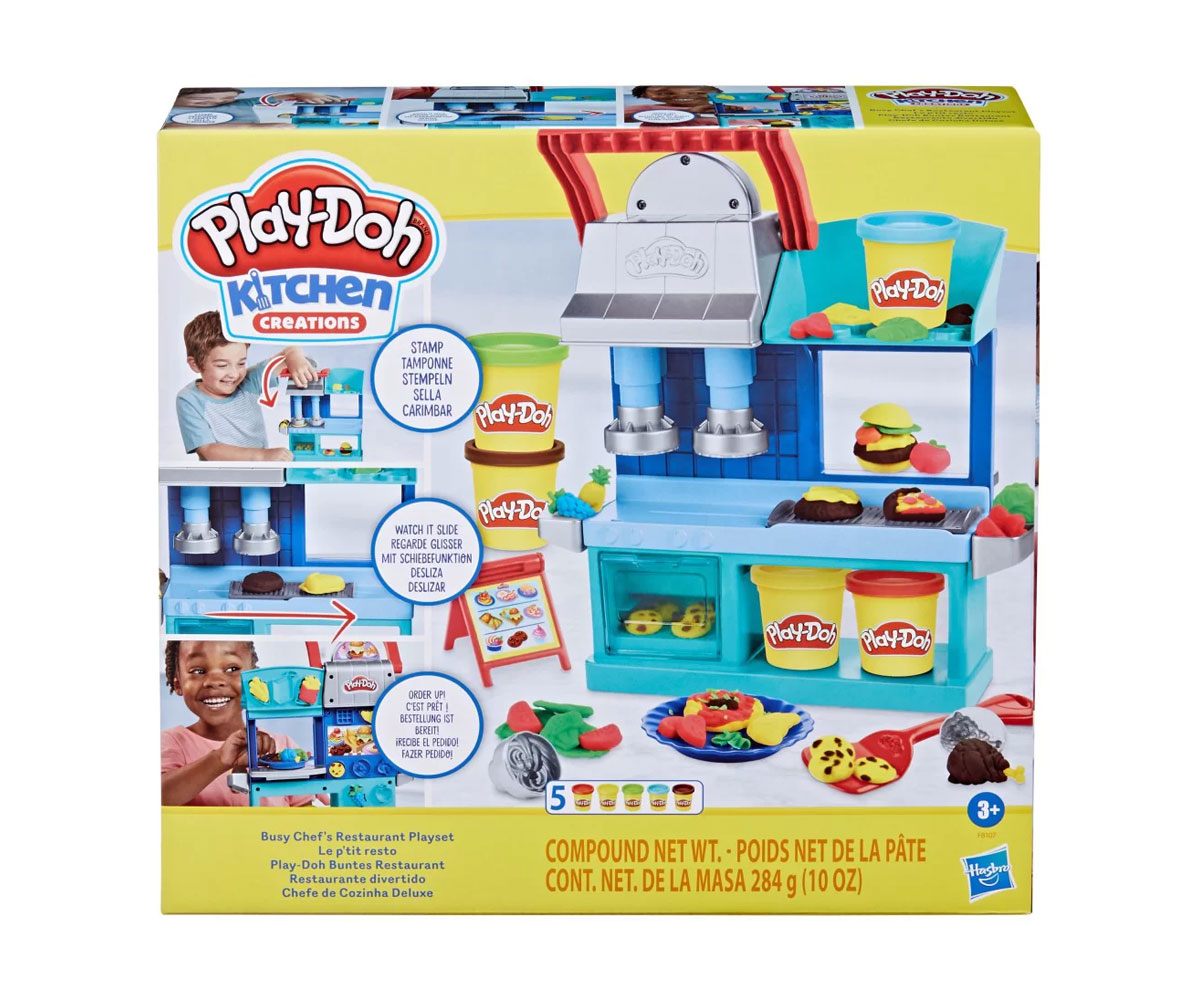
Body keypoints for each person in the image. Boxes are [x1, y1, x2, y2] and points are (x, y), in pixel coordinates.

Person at [161, 640, 323, 807]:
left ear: (254, 678)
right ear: (177, 683)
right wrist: (219, 759)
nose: (214, 681)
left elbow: (307, 814)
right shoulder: (170, 743)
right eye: (198, 671)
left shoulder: (282, 747)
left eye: (232, 669)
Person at [175, 310, 316, 461]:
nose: (234, 374)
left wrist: (294, 356)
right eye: (222, 365)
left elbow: (290, 357)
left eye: (241, 363)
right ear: (195, 364)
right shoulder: (189, 399)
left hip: (258, 472)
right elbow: (208, 451)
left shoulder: (250, 380)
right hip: (220, 475)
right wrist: (263, 455)